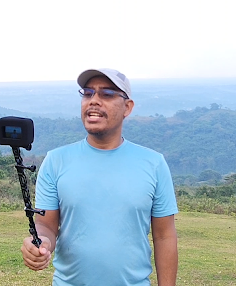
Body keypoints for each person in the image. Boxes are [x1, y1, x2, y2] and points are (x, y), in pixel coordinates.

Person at [21, 68, 178, 286]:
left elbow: (164, 236)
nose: (94, 101)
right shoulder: (56, 161)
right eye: (87, 93)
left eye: (107, 94)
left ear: (127, 107)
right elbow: (46, 225)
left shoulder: (153, 163)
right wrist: (41, 242)